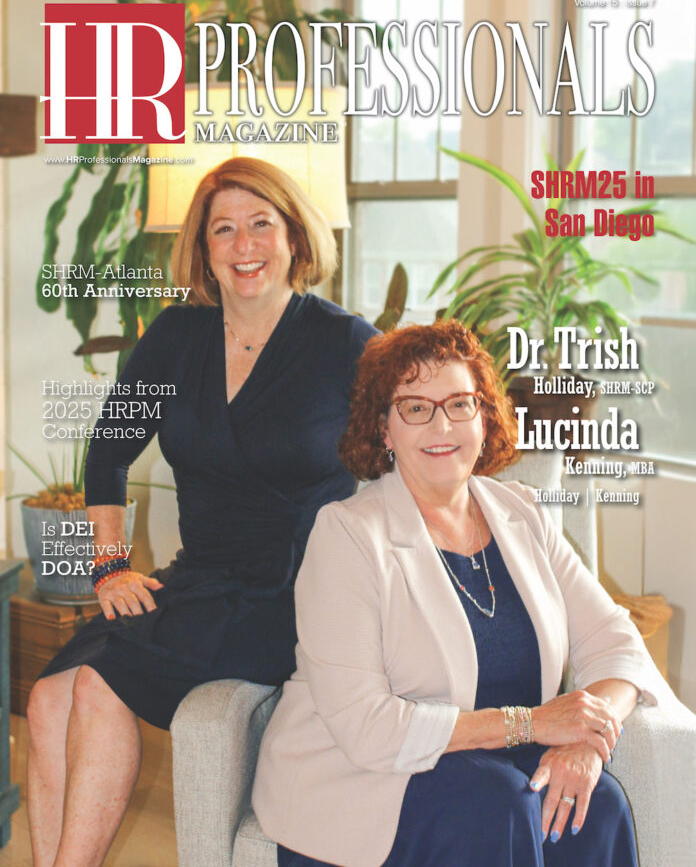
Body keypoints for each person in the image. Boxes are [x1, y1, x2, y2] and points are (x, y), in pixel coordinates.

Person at [26, 157, 376, 867]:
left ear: (294, 238)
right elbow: (108, 452)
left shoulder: (345, 343)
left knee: (96, 687)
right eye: (224, 230)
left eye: (260, 224)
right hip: (202, 579)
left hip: (294, 595)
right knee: (47, 697)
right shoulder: (177, 336)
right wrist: (110, 565)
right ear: (203, 248)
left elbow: (408, 459)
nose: (244, 246)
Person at [252, 320, 658, 867]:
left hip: (494, 775)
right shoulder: (347, 535)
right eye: (416, 407)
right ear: (384, 430)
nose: (442, 424)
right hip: (364, 783)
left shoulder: (521, 513)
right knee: (498, 805)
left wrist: (585, 741)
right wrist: (533, 724)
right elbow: (366, 728)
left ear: (483, 418)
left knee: (596, 803)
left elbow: (618, 645)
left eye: (460, 404)